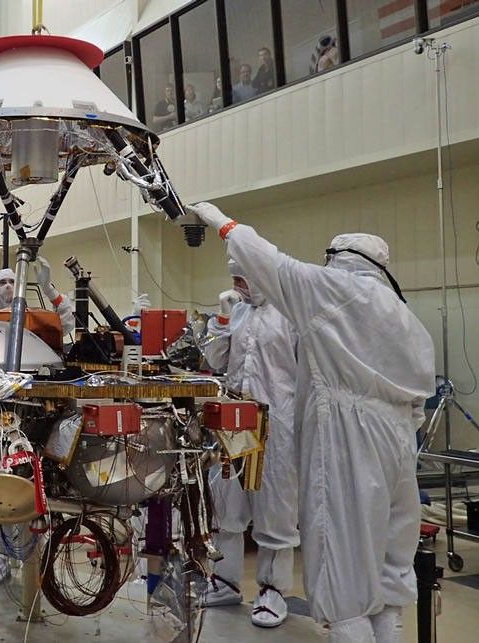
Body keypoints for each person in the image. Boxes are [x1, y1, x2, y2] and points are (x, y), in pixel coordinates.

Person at [186, 202, 435, 643]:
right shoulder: (401, 313)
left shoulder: (328, 296)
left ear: (341, 260)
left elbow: (274, 263)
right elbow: (419, 393)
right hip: (394, 438)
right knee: (385, 558)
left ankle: (282, 595)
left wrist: (223, 223)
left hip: (338, 434)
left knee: (338, 549)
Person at [200, 259, 299, 628]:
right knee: (227, 498)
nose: (240, 285)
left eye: (244, 277)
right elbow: (214, 360)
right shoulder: (237, 311)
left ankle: (273, 590)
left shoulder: (291, 313)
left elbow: (306, 370)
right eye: (235, 278)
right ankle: (225, 581)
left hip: (278, 422)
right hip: (235, 419)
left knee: (276, 504)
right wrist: (222, 322)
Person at [0, 259, 74, 588]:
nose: (6, 287)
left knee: (37, 483)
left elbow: (69, 323)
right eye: (0, 283)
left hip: (36, 411)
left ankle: (36, 551)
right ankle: (0, 557)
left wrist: (49, 288)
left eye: (11, 282)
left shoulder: (38, 320)